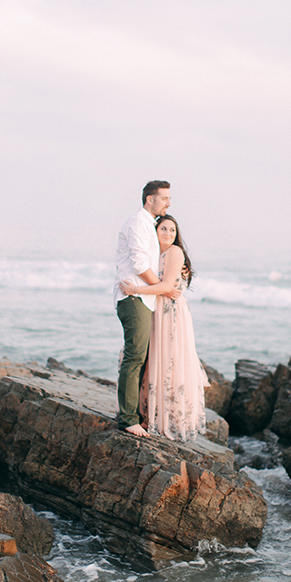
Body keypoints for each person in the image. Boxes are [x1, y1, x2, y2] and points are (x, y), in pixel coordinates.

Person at [121, 214, 208, 442]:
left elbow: (168, 286)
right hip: (154, 309)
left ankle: (164, 419)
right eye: (163, 229)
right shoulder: (154, 253)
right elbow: (158, 282)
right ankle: (146, 415)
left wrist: (135, 290)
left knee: (168, 362)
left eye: (172, 230)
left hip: (170, 313)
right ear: (155, 231)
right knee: (149, 361)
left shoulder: (174, 252)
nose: (168, 234)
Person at [113, 180, 174, 437]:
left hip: (143, 299)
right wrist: (161, 286)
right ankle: (128, 418)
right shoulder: (138, 222)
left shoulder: (149, 224)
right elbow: (139, 263)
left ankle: (133, 414)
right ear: (150, 199)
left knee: (141, 358)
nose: (168, 203)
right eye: (165, 198)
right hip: (133, 299)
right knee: (134, 357)